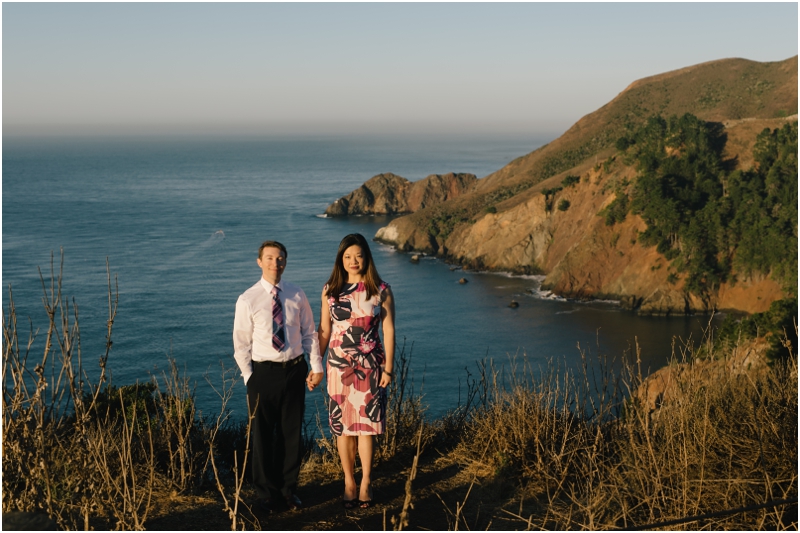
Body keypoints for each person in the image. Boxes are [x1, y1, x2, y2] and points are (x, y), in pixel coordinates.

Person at [233, 240, 323, 513]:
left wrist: (316, 366)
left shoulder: (297, 294)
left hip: (294, 370)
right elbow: (240, 345)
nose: (276, 262)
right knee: (261, 436)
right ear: (259, 262)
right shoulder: (248, 299)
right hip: (263, 374)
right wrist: (250, 378)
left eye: (280, 258)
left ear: (285, 261)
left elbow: (310, 333)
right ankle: (266, 495)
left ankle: (287, 491)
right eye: (270, 258)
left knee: (291, 435)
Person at [317, 233, 396, 509]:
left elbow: (388, 329)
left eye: (358, 255)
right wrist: (315, 363)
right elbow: (325, 331)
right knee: (343, 428)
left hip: (370, 367)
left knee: (366, 428)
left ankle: (366, 482)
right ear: (341, 259)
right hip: (338, 368)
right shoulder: (330, 290)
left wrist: (389, 367)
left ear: (367, 257)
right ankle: (349, 481)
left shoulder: (381, 289)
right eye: (347, 256)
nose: (353, 261)